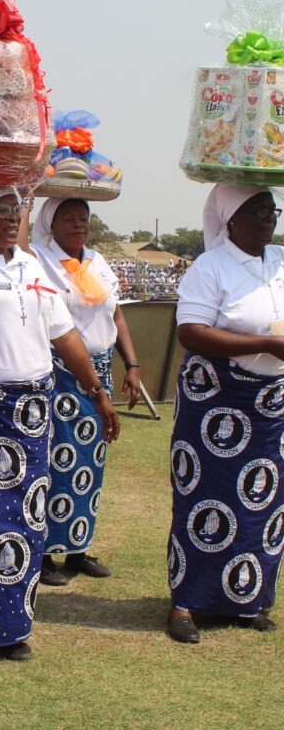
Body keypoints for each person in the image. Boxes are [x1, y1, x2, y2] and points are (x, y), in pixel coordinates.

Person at [0, 124, 120, 667]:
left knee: (23, 520)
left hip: (32, 410)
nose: (12, 217)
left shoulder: (31, 267)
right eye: (0, 208)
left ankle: (4, 627)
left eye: (17, 209)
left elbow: (66, 336)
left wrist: (98, 391)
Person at [166, 184, 284, 644]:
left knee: (262, 497)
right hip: (215, 401)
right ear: (230, 219)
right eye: (256, 211)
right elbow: (192, 332)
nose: (267, 218)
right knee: (204, 497)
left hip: (270, 402)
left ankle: (245, 597)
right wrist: (265, 344)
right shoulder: (210, 266)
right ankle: (186, 603)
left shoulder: (279, 261)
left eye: (271, 210)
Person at [28, 197, 141, 585]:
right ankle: (42, 552)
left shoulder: (97, 261)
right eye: (68, 218)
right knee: (53, 459)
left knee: (88, 465)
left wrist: (134, 364)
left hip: (102, 369)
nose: (78, 225)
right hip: (59, 371)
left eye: (84, 218)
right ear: (50, 222)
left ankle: (77, 547)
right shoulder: (39, 258)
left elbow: (117, 315)